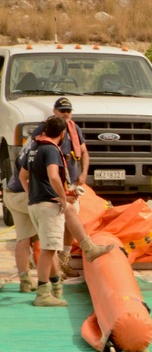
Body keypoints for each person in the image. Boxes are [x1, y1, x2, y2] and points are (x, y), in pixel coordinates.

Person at [19, 116, 113, 306]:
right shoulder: (51, 150)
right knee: (48, 250)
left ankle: (55, 286)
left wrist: (33, 194)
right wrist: (62, 197)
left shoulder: (34, 149)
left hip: (35, 204)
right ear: (63, 134)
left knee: (50, 247)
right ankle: (42, 294)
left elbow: (23, 176)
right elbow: (54, 176)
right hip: (48, 206)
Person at [32, 97, 90, 278]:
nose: (66, 114)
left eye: (68, 111)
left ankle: (64, 259)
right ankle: (51, 267)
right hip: (51, 187)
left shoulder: (74, 128)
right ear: (54, 111)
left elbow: (85, 152)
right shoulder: (44, 129)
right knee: (52, 226)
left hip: (70, 181)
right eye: (62, 110)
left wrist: (83, 173)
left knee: (70, 223)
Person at [3, 136, 38, 293]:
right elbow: (28, 177)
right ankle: (49, 282)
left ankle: (25, 281)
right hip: (25, 196)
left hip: (12, 194)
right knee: (46, 239)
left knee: (23, 238)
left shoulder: (29, 146)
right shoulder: (44, 149)